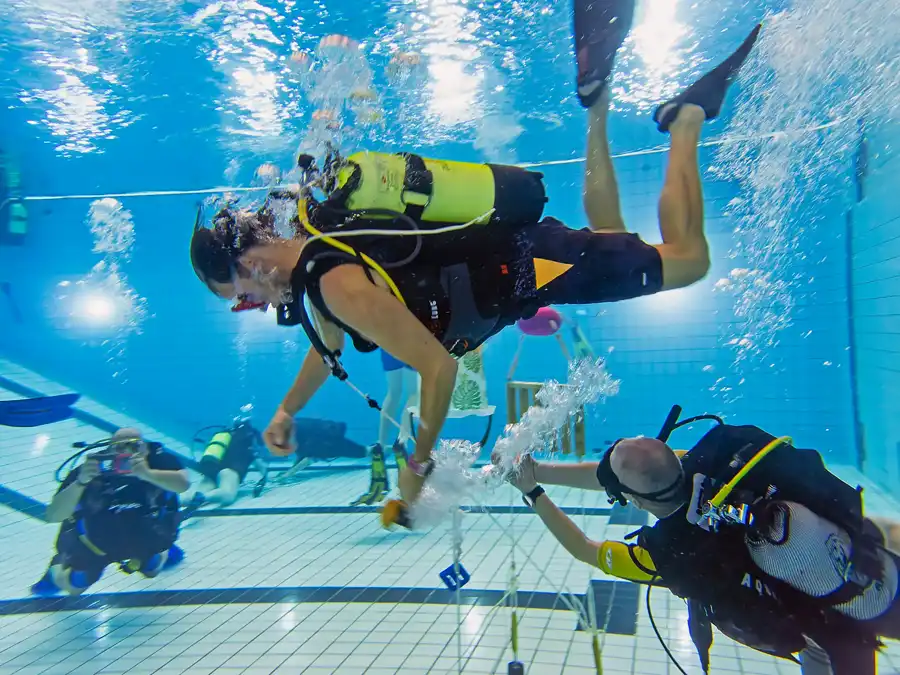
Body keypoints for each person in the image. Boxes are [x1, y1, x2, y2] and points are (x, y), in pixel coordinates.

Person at [188, 0, 761, 512]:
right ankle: (602, 103)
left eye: (240, 298)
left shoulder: (330, 280)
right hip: (525, 266)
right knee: (611, 232)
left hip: (533, 266)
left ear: (250, 264)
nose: (254, 306)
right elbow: (326, 348)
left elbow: (437, 368)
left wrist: (415, 469)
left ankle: (682, 121)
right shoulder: (319, 246)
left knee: (688, 261)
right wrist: (286, 412)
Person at [497, 408, 900, 675]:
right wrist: (535, 470)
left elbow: (586, 550)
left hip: (831, 645)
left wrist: (532, 493)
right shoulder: (716, 462)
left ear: (633, 501)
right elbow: (630, 472)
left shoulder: (668, 555)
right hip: (873, 568)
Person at [33, 428, 189, 596]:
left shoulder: (159, 461)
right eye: (120, 448)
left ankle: (164, 549)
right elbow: (53, 515)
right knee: (75, 586)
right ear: (109, 449)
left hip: (143, 532)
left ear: (145, 447)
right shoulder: (91, 469)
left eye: (135, 446)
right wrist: (80, 482)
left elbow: (183, 485)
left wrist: (148, 474)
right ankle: (55, 568)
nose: (128, 453)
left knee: (152, 570)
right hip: (95, 540)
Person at [350, 348, 414, 506]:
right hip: (411, 337)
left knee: (394, 391)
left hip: (388, 342)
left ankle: (380, 444)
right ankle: (401, 442)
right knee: (414, 393)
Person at [183, 415, 269, 512]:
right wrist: (263, 478)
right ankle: (204, 497)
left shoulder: (224, 437)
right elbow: (261, 466)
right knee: (228, 494)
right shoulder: (249, 442)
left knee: (192, 495)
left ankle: (172, 500)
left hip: (211, 470)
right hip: (229, 472)